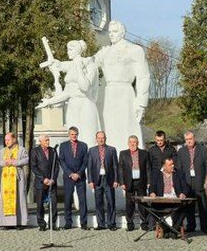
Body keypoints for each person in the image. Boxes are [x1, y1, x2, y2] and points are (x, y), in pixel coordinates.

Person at [93, 21, 151, 151]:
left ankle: (131, 157)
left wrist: (141, 102)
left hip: (125, 93)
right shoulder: (104, 52)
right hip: (109, 93)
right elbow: (89, 64)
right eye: (110, 32)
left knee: (127, 126)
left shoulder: (134, 50)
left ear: (123, 33)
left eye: (115, 32)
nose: (111, 34)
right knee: (110, 127)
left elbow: (143, 76)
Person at [37, 40, 100, 142]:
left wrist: (79, 68)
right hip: (72, 106)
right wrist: (49, 102)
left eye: (70, 49)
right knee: (73, 139)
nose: (68, 52)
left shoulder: (89, 64)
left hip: (86, 104)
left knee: (88, 138)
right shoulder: (71, 66)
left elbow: (85, 87)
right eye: (68, 49)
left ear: (78, 50)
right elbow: (67, 93)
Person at [176, 131, 207, 233]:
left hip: (200, 180)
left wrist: (206, 181)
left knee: (203, 205)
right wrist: (182, 184)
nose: (189, 141)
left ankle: (205, 227)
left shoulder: (203, 150)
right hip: (187, 182)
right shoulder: (181, 151)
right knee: (189, 206)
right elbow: (179, 168)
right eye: (187, 139)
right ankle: (191, 226)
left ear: (194, 138)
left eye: (190, 139)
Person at [147, 157, 191, 239]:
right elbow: (152, 186)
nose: (173, 166)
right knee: (151, 209)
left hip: (175, 200)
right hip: (161, 200)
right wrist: (152, 192)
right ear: (164, 166)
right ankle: (166, 229)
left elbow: (186, 187)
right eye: (170, 165)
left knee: (185, 207)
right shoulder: (156, 173)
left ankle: (174, 230)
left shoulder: (179, 173)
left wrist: (183, 193)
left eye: (173, 164)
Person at [0, 132, 30, 228]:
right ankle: (6, 223)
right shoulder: (3, 150)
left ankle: (20, 222)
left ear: (14, 139)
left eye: (8, 140)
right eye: (5, 140)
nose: (6, 142)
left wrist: (14, 162)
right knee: (4, 200)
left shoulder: (21, 150)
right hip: (6, 178)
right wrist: (5, 162)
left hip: (18, 178)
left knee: (19, 198)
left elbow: (26, 160)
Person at [58, 126, 89, 229]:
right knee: (67, 200)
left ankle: (84, 223)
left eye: (75, 134)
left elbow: (85, 161)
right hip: (68, 177)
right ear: (69, 135)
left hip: (80, 177)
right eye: (72, 134)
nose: (74, 136)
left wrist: (79, 173)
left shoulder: (83, 146)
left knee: (82, 200)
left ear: (78, 134)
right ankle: (68, 223)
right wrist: (70, 173)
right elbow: (61, 160)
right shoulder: (63, 146)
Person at [87, 131, 118, 231]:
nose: (101, 140)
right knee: (98, 203)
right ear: (96, 139)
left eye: (103, 138)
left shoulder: (112, 150)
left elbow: (115, 166)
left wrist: (116, 180)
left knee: (111, 202)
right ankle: (101, 224)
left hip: (109, 179)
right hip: (97, 180)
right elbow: (89, 167)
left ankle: (111, 223)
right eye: (99, 138)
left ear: (105, 138)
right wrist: (90, 181)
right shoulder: (91, 150)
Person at [118, 135, 148, 232]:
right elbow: (120, 169)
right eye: (130, 142)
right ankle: (130, 223)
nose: (132, 144)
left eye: (134, 142)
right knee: (129, 203)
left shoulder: (144, 153)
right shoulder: (123, 153)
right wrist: (122, 182)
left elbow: (148, 168)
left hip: (141, 181)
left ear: (137, 143)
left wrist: (149, 182)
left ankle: (144, 223)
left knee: (142, 203)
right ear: (128, 143)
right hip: (128, 182)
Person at [29, 134, 58, 231]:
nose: (48, 142)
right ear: (40, 141)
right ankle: (42, 224)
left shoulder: (53, 151)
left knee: (53, 203)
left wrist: (53, 179)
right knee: (40, 204)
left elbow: (56, 167)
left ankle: (52, 224)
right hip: (41, 182)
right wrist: (43, 179)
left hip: (51, 182)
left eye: (48, 140)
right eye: (46, 140)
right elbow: (34, 167)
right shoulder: (35, 151)